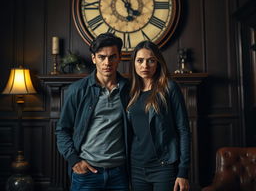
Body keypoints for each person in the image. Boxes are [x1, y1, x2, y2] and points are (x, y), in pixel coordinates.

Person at [55, 33, 130, 191]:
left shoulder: (129, 89)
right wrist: (74, 160)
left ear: (120, 57)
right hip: (86, 173)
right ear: (94, 58)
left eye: (112, 57)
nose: (107, 63)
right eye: (102, 57)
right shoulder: (78, 90)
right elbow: (62, 130)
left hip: (119, 173)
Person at [127, 40, 191, 191]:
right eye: (140, 60)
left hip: (164, 166)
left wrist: (183, 171)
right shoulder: (130, 91)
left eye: (151, 61)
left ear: (158, 63)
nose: (145, 66)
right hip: (136, 167)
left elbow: (183, 130)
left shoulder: (169, 88)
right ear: (134, 63)